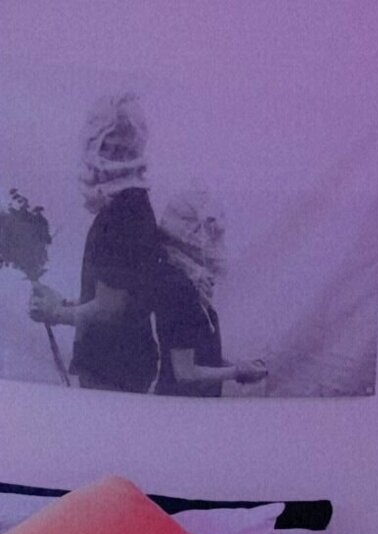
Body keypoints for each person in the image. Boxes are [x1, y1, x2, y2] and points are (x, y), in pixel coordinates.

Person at [29, 92, 161, 393]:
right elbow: (116, 295)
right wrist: (62, 303)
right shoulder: (132, 204)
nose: (111, 155)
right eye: (108, 146)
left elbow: (110, 308)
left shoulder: (122, 213)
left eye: (119, 148)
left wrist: (55, 314)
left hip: (113, 367)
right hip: (126, 362)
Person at [153, 187, 267, 396]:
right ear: (192, 233)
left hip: (188, 404)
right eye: (210, 232)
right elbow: (184, 372)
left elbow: (195, 355)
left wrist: (236, 368)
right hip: (179, 406)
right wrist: (237, 372)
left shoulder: (187, 283)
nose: (216, 240)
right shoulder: (179, 288)